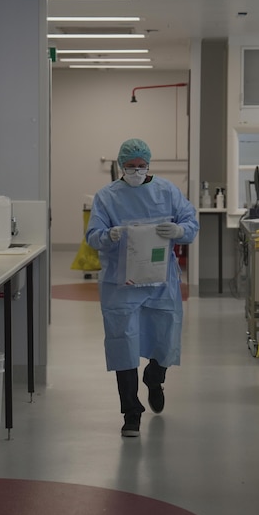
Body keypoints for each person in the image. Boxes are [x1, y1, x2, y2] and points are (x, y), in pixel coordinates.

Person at [86, 138, 199, 437]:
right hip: (121, 283)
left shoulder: (167, 191)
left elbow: (190, 222)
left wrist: (179, 230)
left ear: (149, 164)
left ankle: (154, 376)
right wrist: (108, 235)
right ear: (121, 166)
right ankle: (131, 413)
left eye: (140, 166)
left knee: (164, 340)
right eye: (130, 167)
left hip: (161, 282)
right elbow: (92, 235)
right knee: (123, 344)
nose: (136, 171)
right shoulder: (107, 197)